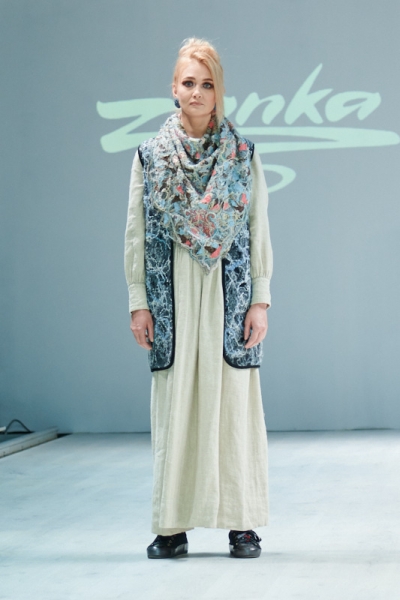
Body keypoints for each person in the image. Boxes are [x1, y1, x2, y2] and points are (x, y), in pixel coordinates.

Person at [124, 37, 273, 559]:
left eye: (207, 84)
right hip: (173, 294)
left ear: (218, 91)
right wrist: (139, 300)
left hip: (229, 292)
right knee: (175, 407)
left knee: (234, 406)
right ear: (174, 88)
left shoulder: (243, 155)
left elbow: (257, 227)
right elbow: (136, 232)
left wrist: (260, 299)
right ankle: (171, 527)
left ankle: (242, 524)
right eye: (189, 82)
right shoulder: (150, 157)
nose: (197, 92)